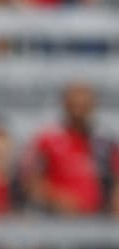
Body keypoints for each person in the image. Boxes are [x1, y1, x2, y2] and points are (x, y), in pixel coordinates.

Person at [20, 81, 119, 216]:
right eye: (74, 105)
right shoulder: (47, 139)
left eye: (84, 106)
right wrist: (57, 199)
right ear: (65, 105)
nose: (78, 111)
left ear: (92, 106)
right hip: (57, 219)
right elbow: (29, 180)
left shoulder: (104, 142)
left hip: (98, 219)